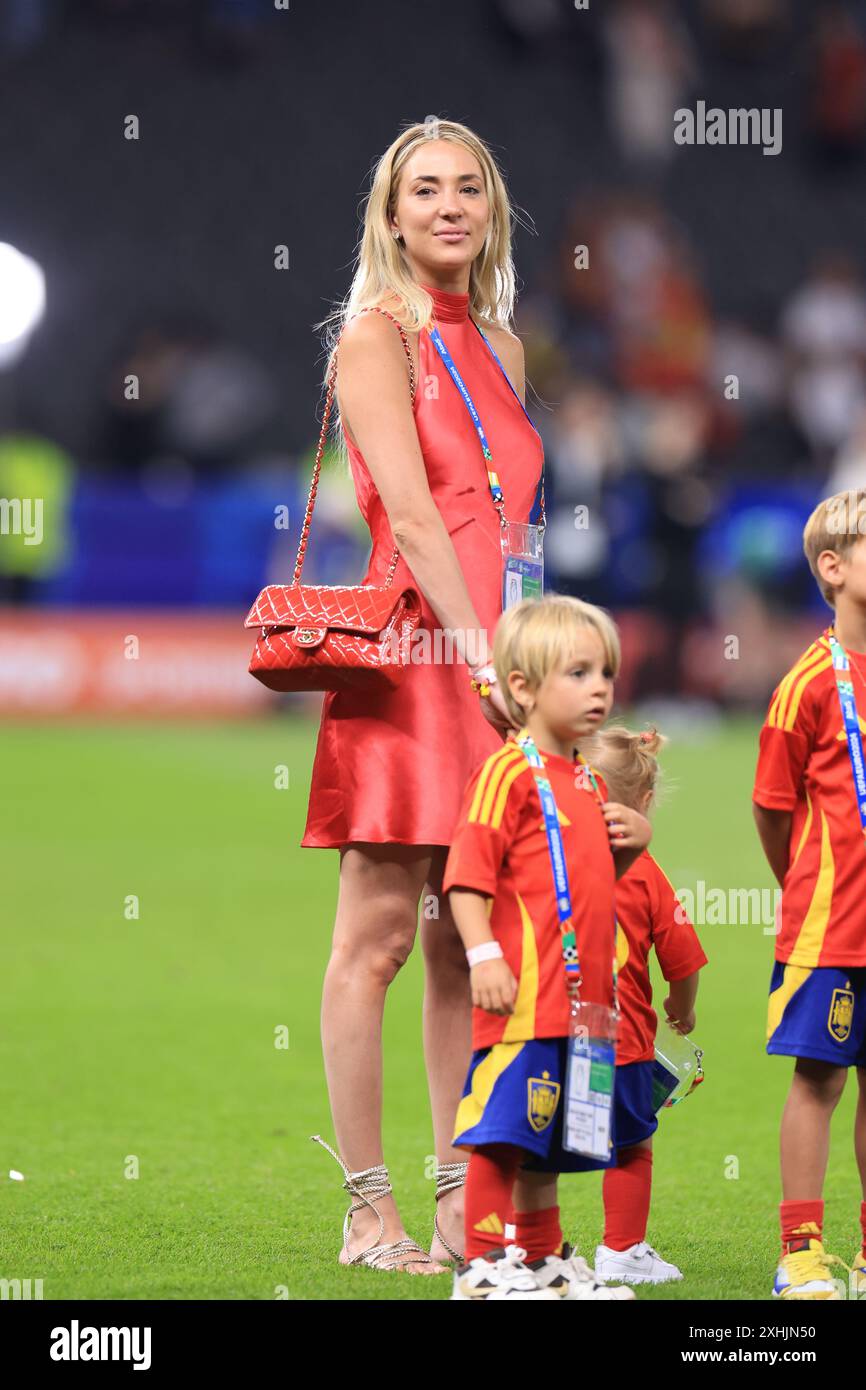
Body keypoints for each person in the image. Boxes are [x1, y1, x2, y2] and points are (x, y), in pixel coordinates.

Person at [303, 118, 544, 1274]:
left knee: (467, 936)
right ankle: (365, 1209)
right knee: (378, 938)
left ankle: (458, 1202)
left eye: (467, 189)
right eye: (423, 190)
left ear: (489, 211)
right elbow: (405, 516)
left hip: (497, 659)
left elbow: (513, 523)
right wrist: (480, 656)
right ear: (390, 215)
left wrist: (529, 657)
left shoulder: (498, 338)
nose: (448, 206)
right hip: (416, 662)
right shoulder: (373, 334)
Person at [443, 594, 653, 1300]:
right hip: (526, 998)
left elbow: (586, 885)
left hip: (586, 1010)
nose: (599, 688)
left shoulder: (589, 782)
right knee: (503, 1130)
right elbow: (466, 876)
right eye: (579, 673)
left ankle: (540, 1262)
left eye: (606, 673)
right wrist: (483, 957)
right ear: (524, 689)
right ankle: (479, 1264)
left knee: (552, 1140)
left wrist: (634, 849)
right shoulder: (509, 772)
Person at [753, 486, 866, 1299]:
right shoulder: (808, 683)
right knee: (820, 1081)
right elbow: (772, 805)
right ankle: (800, 1253)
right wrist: (803, 880)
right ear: (833, 566)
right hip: (832, 925)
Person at [580, 722, 707, 1285]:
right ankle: (622, 1250)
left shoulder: (548, 861)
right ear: (646, 802)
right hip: (624, 1044)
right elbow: (682, 960)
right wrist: (684, 1010)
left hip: (547, 1036)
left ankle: (520, 1247)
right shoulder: (649, 874)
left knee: (532, 1143)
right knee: (631, 1144)